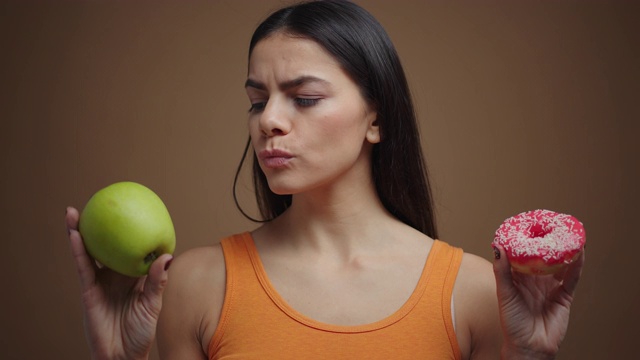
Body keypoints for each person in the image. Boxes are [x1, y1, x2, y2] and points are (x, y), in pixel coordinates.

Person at [65, 1, 585, 359]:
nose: (268, 120)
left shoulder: (475, 292)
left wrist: (530, 357)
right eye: (256, 100)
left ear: (376, 118)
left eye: (305, 98)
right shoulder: (195, 284)